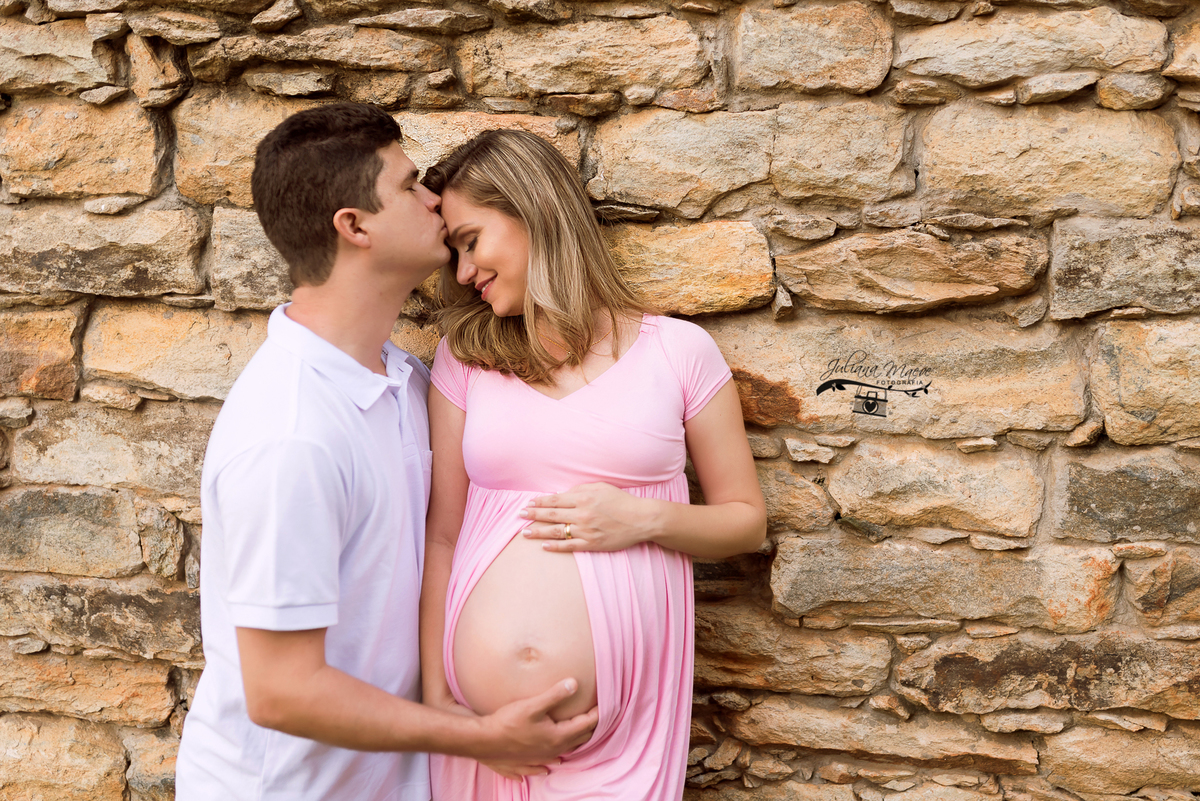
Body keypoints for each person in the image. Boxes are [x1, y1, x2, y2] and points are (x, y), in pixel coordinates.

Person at [175, 104, 597, 801]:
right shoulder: (289, 433)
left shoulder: (403, 379)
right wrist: (479, 736)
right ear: (355, 226)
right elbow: (281, 691)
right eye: (408, 185)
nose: (434, 198)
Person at [420, 129, 768, 800]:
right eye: (452, 253)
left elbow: (746, 522)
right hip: (482, 742)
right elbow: (442, 535)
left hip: (622, 745)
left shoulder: (678, 353)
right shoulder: (464, 358)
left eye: (470, 241)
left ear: (531, 211)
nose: (462, 273)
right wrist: (443, 709)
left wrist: (642, 519)